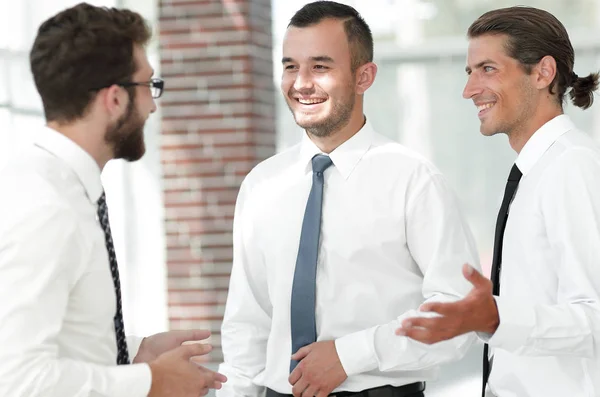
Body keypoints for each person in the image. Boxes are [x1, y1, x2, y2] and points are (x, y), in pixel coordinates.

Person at [217, 2, 480, 397]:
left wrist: (350, 355)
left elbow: (460, 316)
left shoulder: (413, 180)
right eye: (291, 66)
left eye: (320, 67)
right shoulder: (261, 185)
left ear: (363, 76)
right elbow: (247, 321)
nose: (301, 83)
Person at [0, 3, 226, 397]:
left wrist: (131, 349)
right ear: (116, 99)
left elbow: (52, 335)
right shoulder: (47, 206)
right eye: (149, 86)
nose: (153, 105)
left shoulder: (56, 187)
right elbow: (16, 379)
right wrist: (152, 382)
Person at [397, 5, 600, 397]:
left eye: (487, 69)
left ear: (543, 73)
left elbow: (595, 317)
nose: (469, 90)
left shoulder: (571, 167)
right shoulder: (536, 171)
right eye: (470, 72)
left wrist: (496, 317)